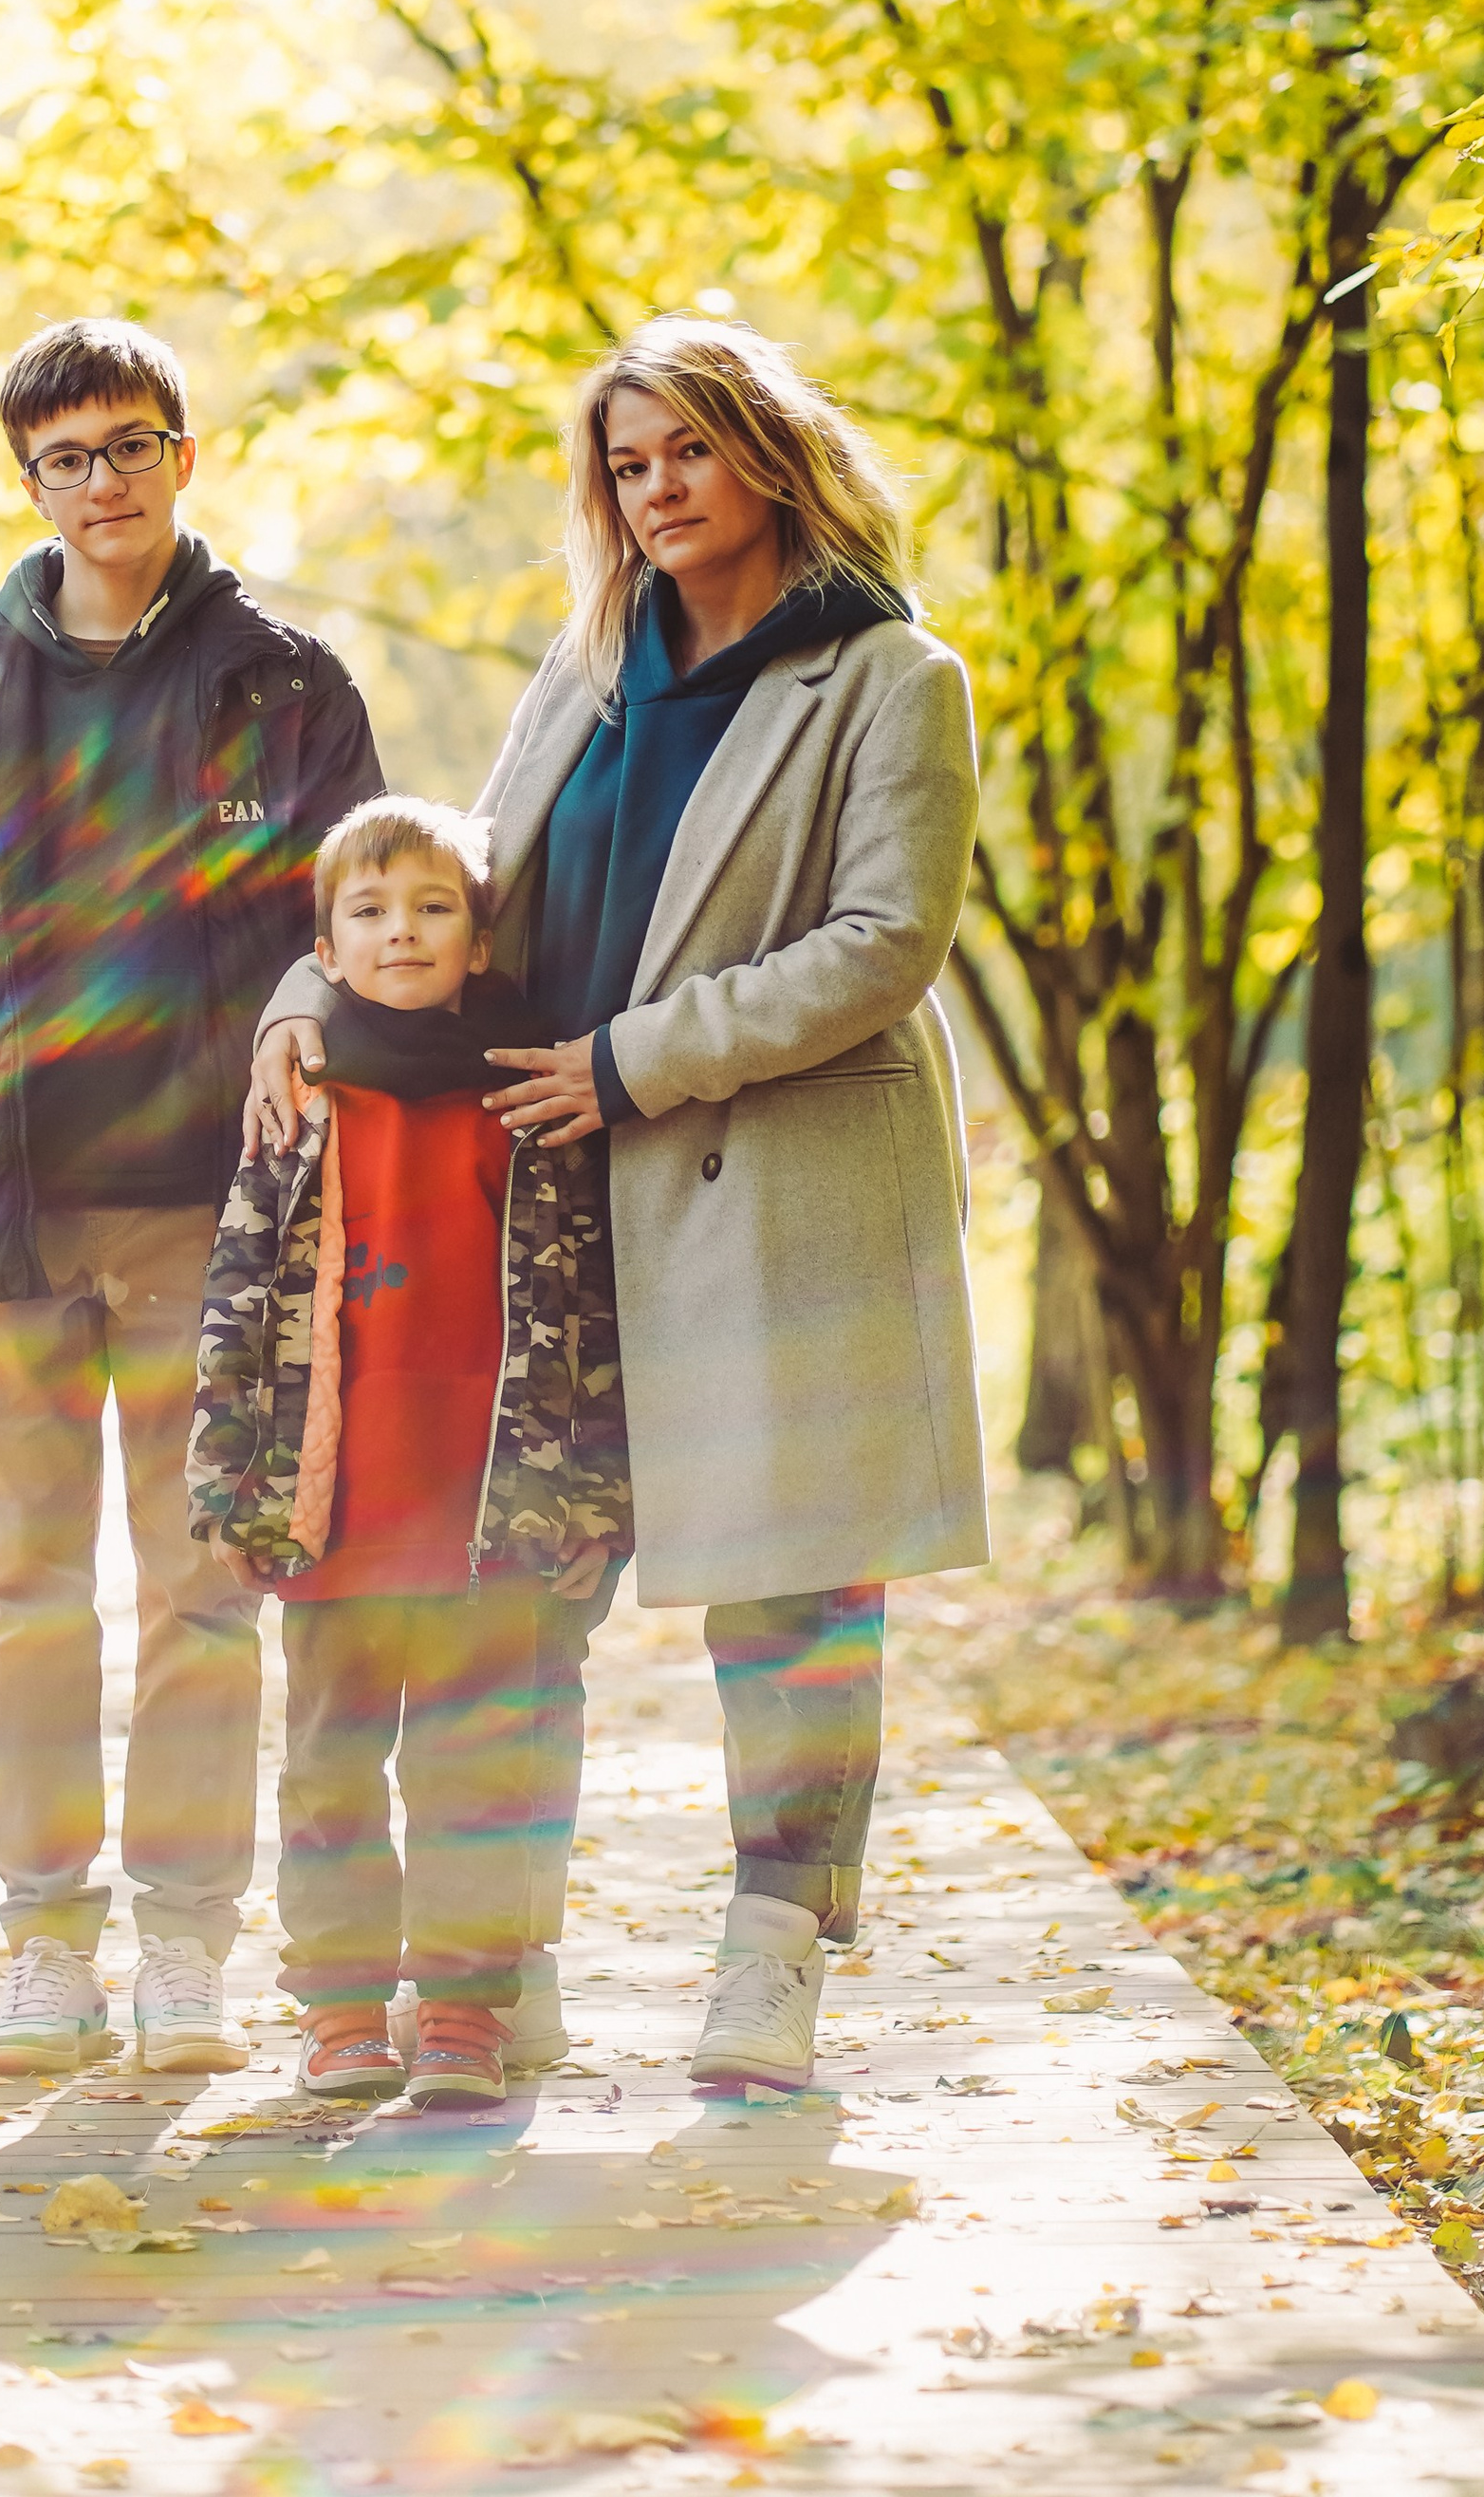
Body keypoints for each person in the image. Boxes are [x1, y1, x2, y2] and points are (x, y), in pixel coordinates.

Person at [250, 315, 984, 2097]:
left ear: (770, 455)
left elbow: (887, 943)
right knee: (520, 1596)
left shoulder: (889, 677)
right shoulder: (582, 672)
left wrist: (643, 1060)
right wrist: (306, 995)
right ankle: (501, 1973)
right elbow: (461, 892)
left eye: (687, 455)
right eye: (626, 463)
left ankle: (773, 1960)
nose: (653, 491)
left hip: (773, 1182)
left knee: (793, 1602)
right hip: (547, 1202)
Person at [0, 318, 382, 2078]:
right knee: (27, 1591)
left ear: (184, 457)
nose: (100, 482)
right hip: (5, 1209)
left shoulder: (288, 684)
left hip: (218, 1223)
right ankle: (45, 1944)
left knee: (207, 1592)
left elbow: (361, 938)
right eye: (65, 458)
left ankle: (187, 1952)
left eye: (129, 446)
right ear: (30, 484)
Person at [188, 795, 629, 2108]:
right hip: (338, 1509)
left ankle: (461, 2012)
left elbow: (584, 1306)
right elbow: (237, 1294)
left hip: (488, 1512)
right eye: (370, 912)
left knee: (472, 1765)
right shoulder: (300, 1102)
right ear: (323, 948)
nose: (402, 934)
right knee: (329, 1766)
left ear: (479, 942)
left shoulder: (528, 1098)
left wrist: (593, 1489)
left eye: (434, 909)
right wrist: (228, 1481)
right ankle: (336, 2010)